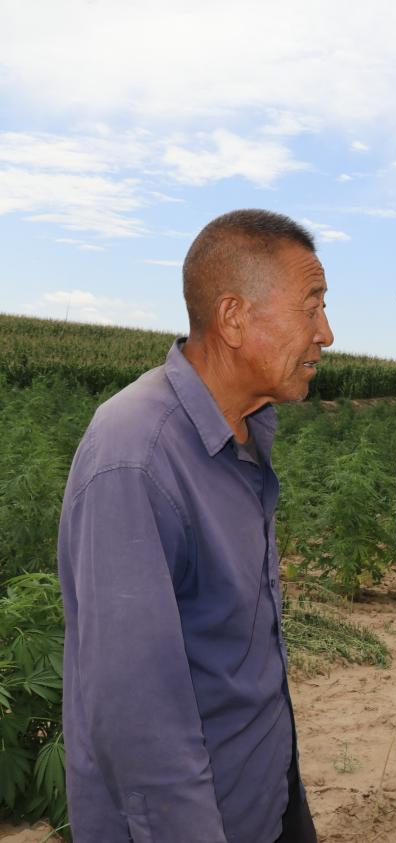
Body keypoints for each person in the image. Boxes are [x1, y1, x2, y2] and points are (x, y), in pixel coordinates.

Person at [58, 210, 331, 841]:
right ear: (234, 318)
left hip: (264, 794)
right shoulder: (138, 456)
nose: (327, 333)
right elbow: (137, 718)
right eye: (310, 306)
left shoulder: (245, 430)